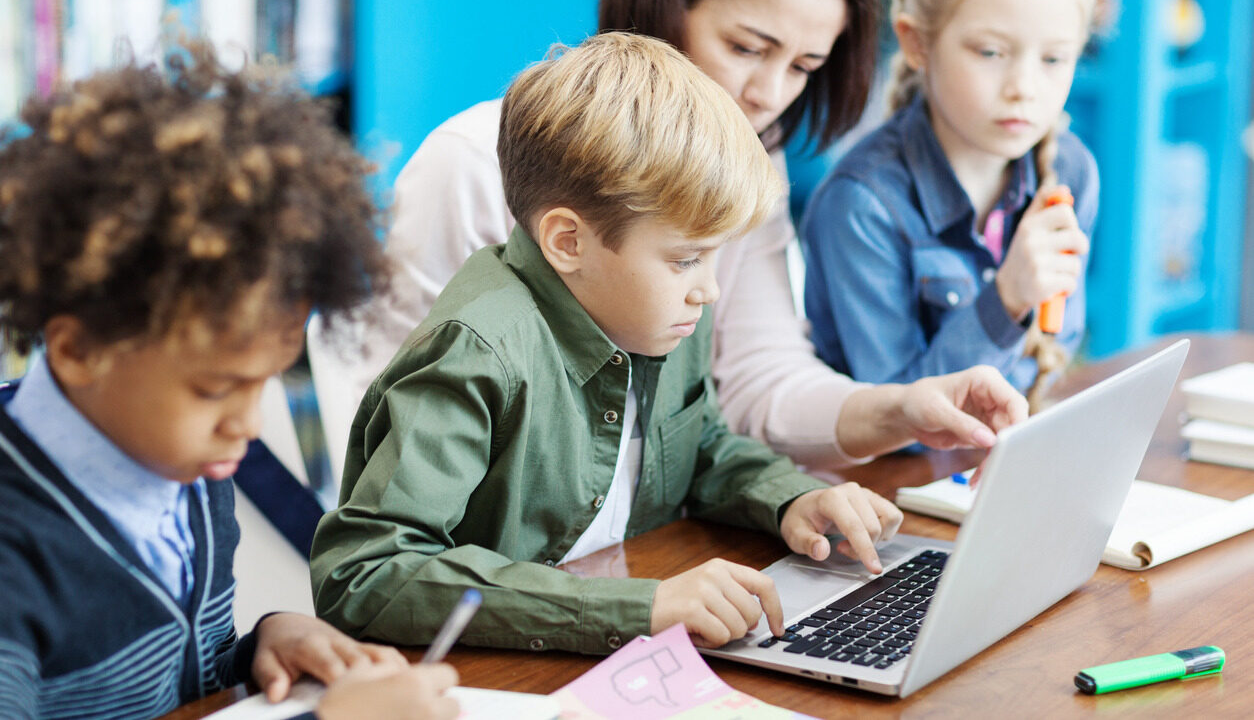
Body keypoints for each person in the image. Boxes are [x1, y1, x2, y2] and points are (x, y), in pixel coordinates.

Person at [331, 0, 1027, 469]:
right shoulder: (473, 162)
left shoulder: (754, 151)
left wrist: (903, 408)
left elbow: (759, 379)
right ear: (667, 5)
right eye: (746, 47)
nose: (768, 93)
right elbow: (399, 437)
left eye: (804, 67)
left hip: (646, 551)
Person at [310, 33, 905, 655]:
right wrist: (640, 607)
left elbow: (698, 446)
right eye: (685, 260)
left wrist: (793, 498)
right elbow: (364, 572)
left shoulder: (660, 314)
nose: (708, 292)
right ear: (569, 242)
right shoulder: (476, 354)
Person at [0, 43, 458, 720]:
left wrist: (262, 644)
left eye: (265, 383)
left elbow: (180, 680)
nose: (246, 424)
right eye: (215, 390)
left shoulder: (187, 466)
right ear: (77, 349)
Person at [801, 0, 1103, 412]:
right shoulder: (861, 203)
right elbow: (897, 418)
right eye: (990, 52)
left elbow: (1056, 349)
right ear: (917, 44)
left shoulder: (1070, 169)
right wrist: (1005, 301)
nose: (1024, 87)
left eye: (1055, 58)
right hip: (883, 481)